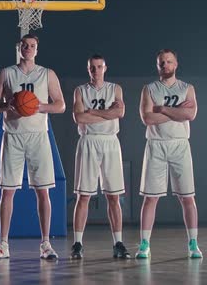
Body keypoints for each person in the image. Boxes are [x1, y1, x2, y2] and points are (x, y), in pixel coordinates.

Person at [0, 34, 66, 260]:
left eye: (32, 46)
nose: (28, 49)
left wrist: (40, 106)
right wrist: (5, 104)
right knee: (7, 191)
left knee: (43, 191)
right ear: (18, 48)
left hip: (39, 136)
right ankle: (3, 244)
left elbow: (60, 105)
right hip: (12, 135)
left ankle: (46, 244)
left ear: (37, 49)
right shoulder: (6, 73)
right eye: (24, 45)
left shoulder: (47, 73)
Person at [136, 49, 202, 259]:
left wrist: (162, 109)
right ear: (157, 66)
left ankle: (193, 243)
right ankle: (144, 244)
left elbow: (190, 114)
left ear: (176, 64)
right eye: (161, 63)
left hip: (180, 145)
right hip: (156, 145)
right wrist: (176, 112)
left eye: (169, 62)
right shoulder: (149, 89)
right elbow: (148, 119)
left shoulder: (187, 88)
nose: (165, 65)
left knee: (188, 198)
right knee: (150, 198)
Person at [70, 54, 130, 259]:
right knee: (83, 196)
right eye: (92, 68)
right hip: (88, 141)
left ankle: (118, 243)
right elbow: (79, 117)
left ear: (105, 68)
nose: (96, 71)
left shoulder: (115, 89)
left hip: (110, 141)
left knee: (114, 196)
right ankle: (77, 243)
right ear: (88, 69)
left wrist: (93, 112)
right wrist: (106, 112)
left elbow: (120, 112)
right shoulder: (80, 90)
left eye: (99, 67)